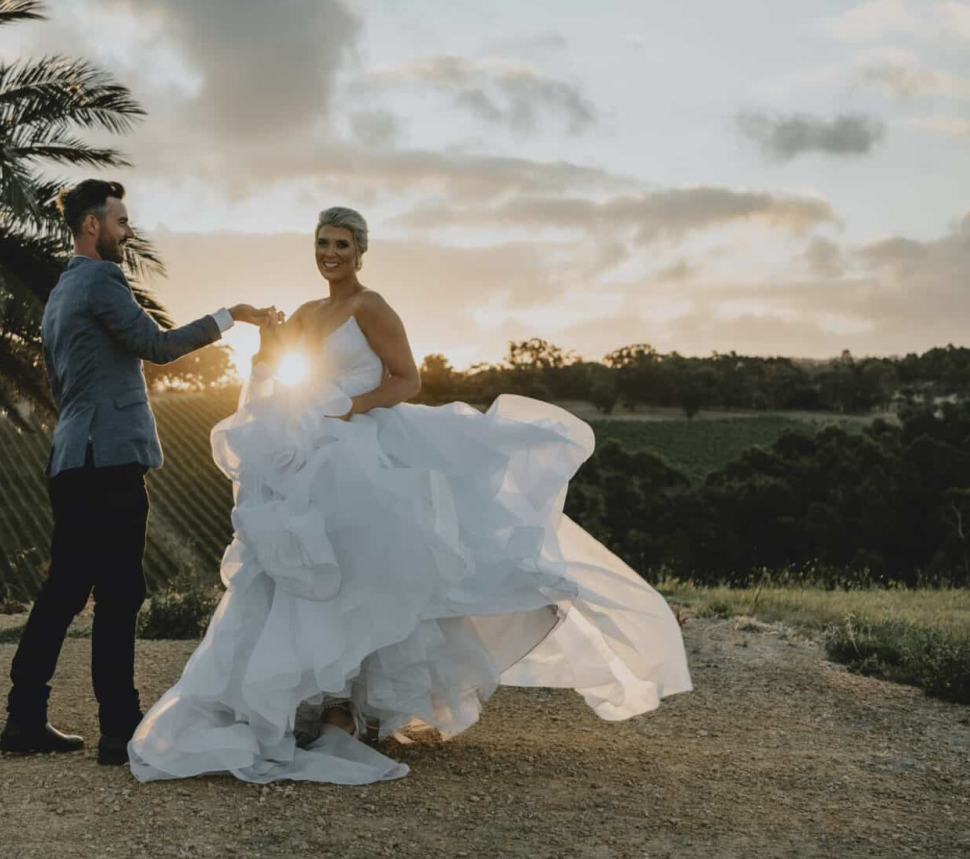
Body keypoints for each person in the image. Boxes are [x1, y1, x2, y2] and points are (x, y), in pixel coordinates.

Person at [125, 206, 692, 785]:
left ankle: (346, 708)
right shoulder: (307, 311)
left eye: (343, 244)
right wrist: (270, 338)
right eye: (323, 242)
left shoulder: (371, 306)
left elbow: (407, 379)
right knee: (308, 575)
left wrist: (349, 408)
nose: (331, 253)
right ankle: (314, 700)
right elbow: (274, 368)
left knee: (364, 572)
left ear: (361, 251)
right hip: (310, 457)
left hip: (362, 449)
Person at [0, 178, 281, 766]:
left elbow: (64, 381)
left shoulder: (59, 292)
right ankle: (118, 727)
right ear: (91, 225)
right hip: (110, 460)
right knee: (120, 591)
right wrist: (232, 315)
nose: (129, 233)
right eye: (121, 222)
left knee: (64, 591)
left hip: (72, 456)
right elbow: (156, 345)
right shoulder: (101, 277)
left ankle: (23, 718)